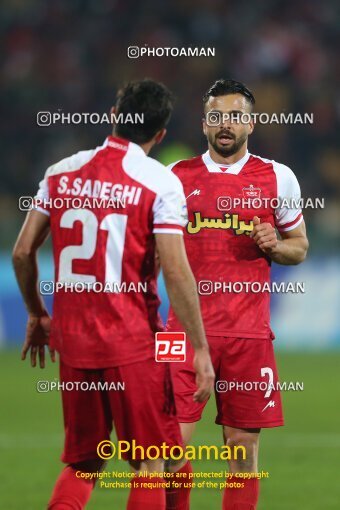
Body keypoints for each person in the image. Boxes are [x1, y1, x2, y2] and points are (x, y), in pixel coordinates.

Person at [12, 78, 215, 510]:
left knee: (83, 463)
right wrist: (198, 348)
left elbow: (22, 252)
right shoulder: (160, 183)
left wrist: (36, 313)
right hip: (134, 343)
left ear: (113, 116)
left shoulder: (60, 172)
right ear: (160, 135)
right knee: (153, 462)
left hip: (74, 341)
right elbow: (176, 271)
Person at [165, 79, 309, 510]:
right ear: (204, 123)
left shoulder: (278, 177)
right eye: (216, 116)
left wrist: (275, 245)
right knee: (166, 453)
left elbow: (298, 247)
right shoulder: (174, 178)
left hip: (248, 336)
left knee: (241, 457)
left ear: (251, 122)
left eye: (235, 116)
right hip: (184, 334)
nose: (225, 125)